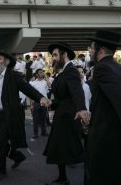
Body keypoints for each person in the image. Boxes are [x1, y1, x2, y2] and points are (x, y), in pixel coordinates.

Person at [0, 51, 50, 182]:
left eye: (0, 58)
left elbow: (27, 88)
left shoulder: (13, 76)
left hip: (9, 116)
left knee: (1, 141)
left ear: (6, 62)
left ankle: (0, 170)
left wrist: (40, 97)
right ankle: (17, 156)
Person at [44, 43, 90, 185]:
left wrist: (81, 109)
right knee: (60, 148)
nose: (54, 59)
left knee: (71, 148)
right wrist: (51, 103)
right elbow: (63, 96)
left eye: (56, 55)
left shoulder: (71, 71)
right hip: (62, 114)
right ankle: (63, 178)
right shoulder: (63, 72)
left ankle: (91, 177)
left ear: (64, 55)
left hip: (69, 116)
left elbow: (77, 91)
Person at [87, 29, 121, 185]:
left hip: (105, 137)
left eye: (91, 47)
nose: (89, 50)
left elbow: (120, 99)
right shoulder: (119, 67)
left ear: (100, 50)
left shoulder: (102, 69)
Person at [29, 68, 51, 138]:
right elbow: (30, 95)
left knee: (43, 118)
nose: (42, 73)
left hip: (44, 102)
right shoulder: (33, 83)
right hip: (36, 102)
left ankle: (43, 132)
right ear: (37, 74)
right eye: (40, 72)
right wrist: (31, 104)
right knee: (35, 119)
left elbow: (50, 86)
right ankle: (35, 133)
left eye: (42, 72)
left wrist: (46, 77)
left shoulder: (45, 82)